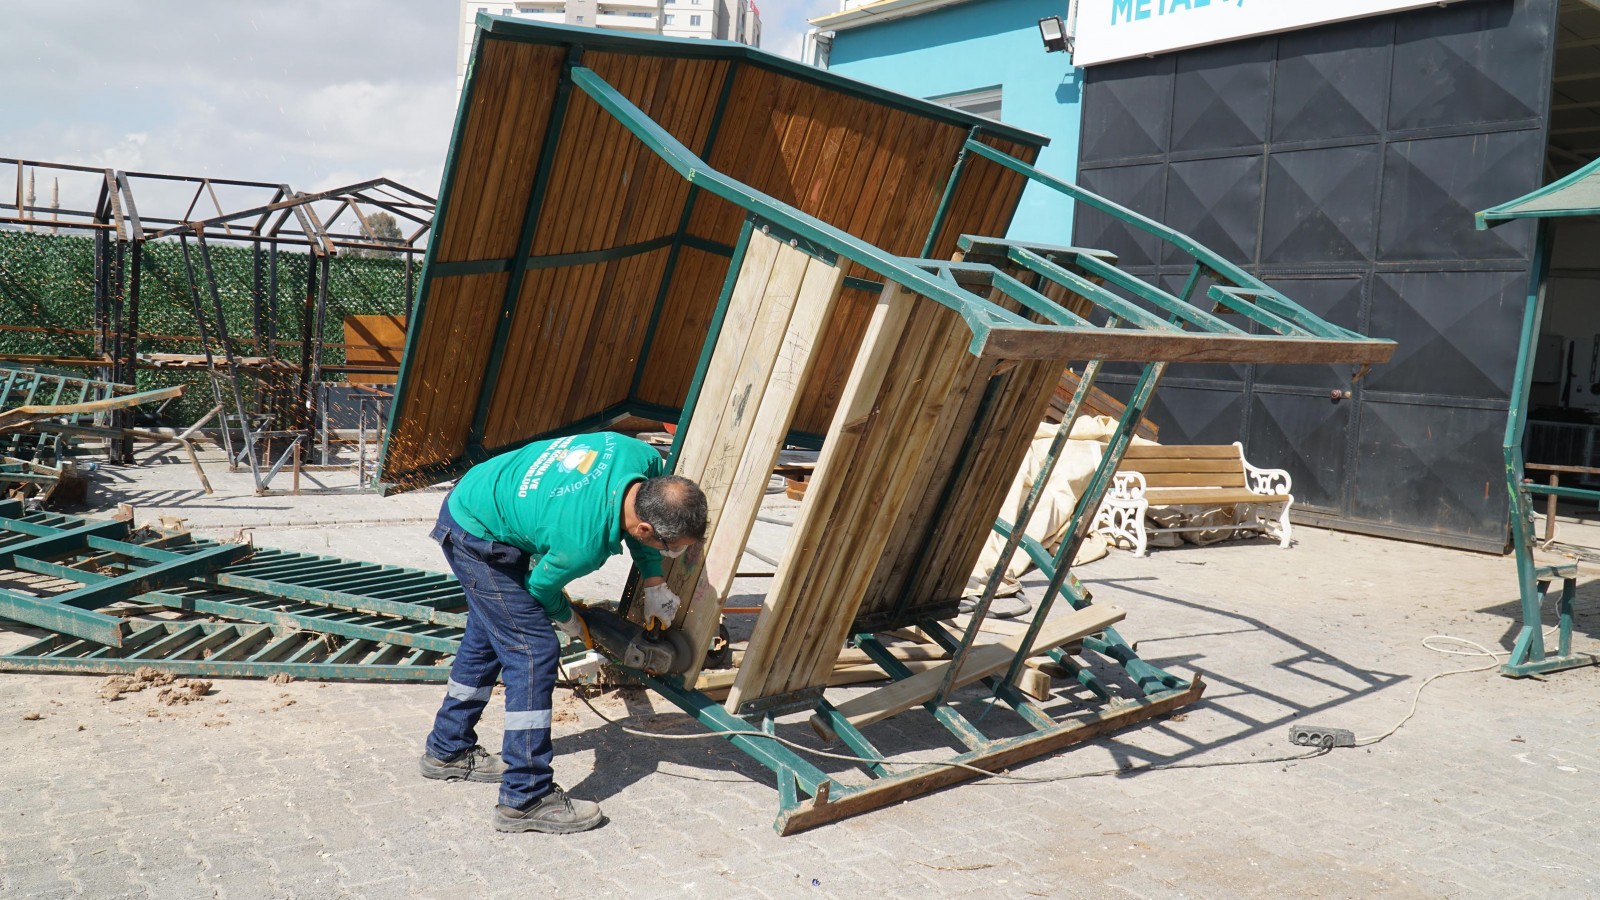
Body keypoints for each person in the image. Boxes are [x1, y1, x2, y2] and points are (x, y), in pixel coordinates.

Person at [418, 431, 706, 834]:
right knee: (533, 650)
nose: (672, 552)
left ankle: (447, 749)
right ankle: (526, 797)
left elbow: (642, 529)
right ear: (645, 529)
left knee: (487, 633)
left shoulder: (642, 459)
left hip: (495, 493)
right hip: (474, 530)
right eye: (671, 547)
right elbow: (540, 588)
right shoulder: (582, 542)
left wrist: (655, 581)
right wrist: (570, 620)